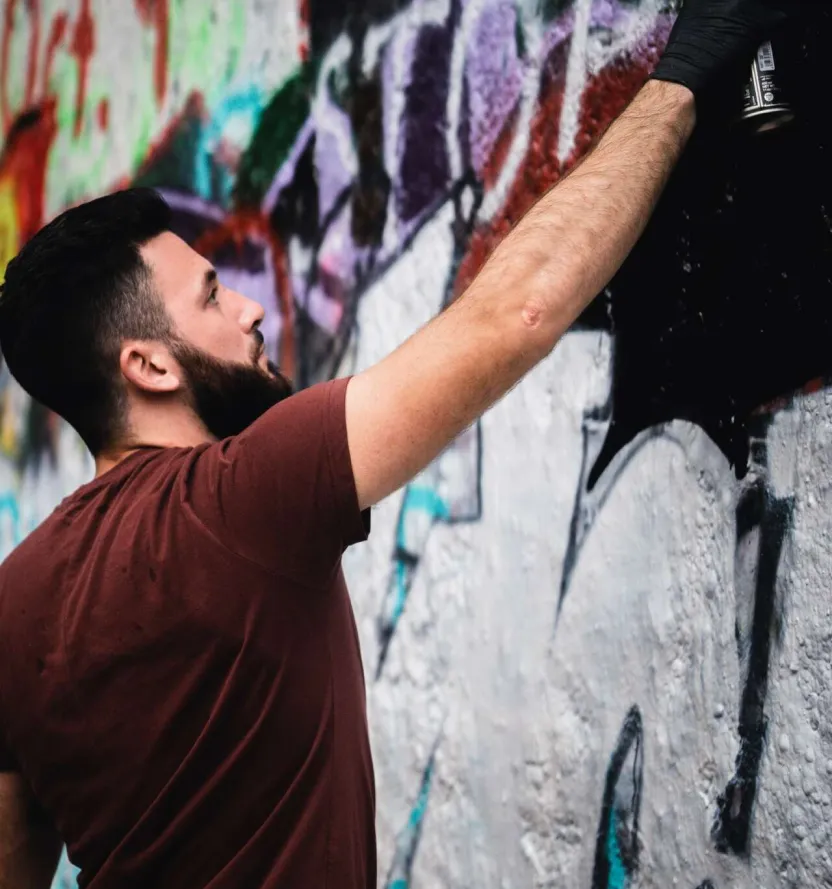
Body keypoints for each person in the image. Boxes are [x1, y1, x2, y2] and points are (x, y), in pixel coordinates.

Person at [0, 1, 805, 887]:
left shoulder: (13, 601)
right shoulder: (241, 498)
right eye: (211, 297)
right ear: (149, 364)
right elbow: (517, 312)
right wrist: (685, 76)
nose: (251, 309)